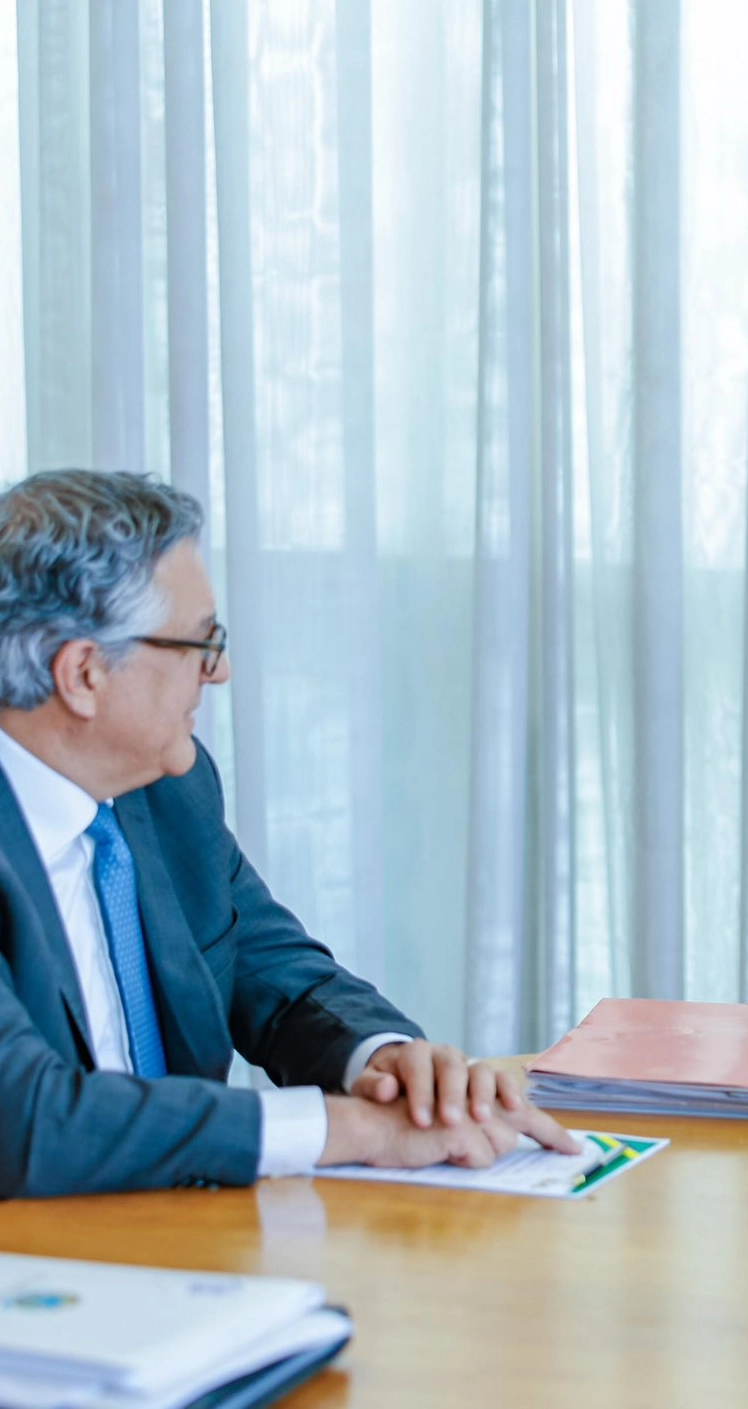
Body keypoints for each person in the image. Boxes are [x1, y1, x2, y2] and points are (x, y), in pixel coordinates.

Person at [0, 470, 579, 1198]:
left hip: (184, 1247)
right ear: (83, 673)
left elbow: (271, 967)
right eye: (201, 644)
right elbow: (25, 1118)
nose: (221, 672)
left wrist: (384, 1062)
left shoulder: (168, 789)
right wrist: (351, 1131)